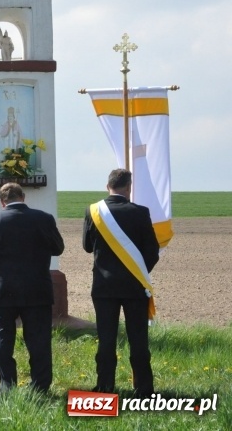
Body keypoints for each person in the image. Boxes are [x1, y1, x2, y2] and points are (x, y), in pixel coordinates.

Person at [0, 183, 64, 393]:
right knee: (39, 340)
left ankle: (7, 384)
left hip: (2, 291)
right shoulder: (44, 219)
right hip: (37, 289)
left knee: (2, 341)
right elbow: (58, 248)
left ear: (1, 201)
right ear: (23, 197)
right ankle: (40, 386)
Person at [83, 168, 159, 396]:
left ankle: (105, 387)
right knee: (138, 338)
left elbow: (87, 246)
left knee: (106, 339)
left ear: (108, 187)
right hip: (134, 287)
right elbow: (152, 251)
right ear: (128, 188)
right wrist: (138, 271)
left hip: (104, 287)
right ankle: (144, 389)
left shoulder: (93, 211)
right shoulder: (141, 212)